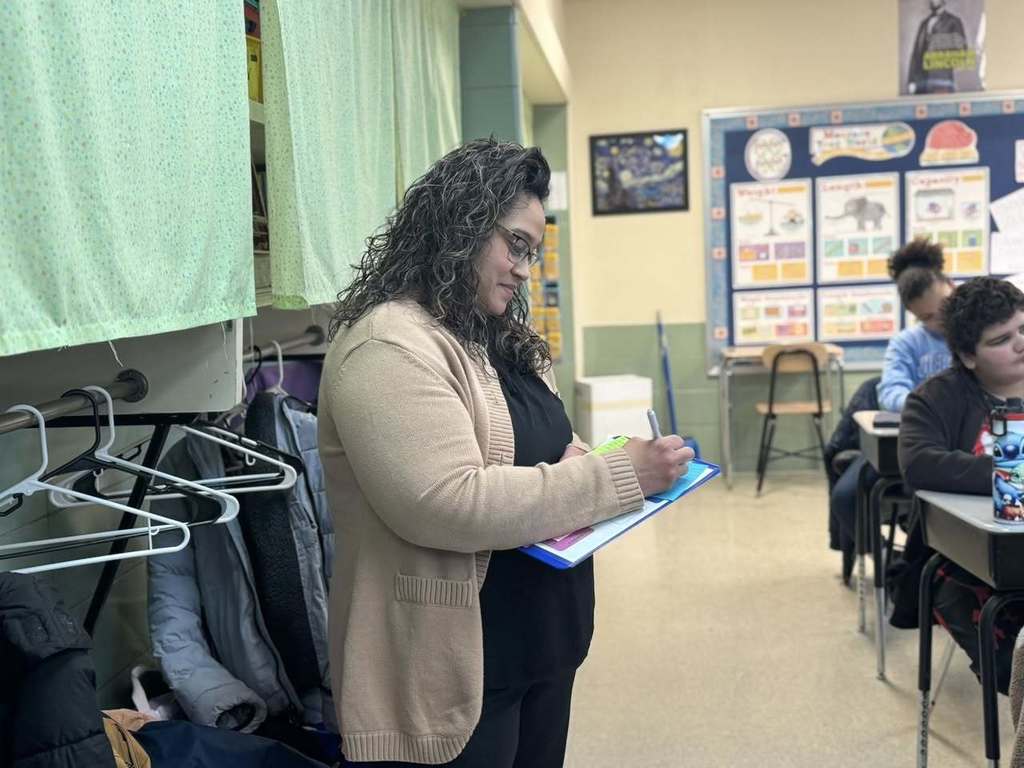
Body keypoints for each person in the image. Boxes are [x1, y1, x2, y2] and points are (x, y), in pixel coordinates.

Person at [318, 138, 693, 767]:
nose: (525, 269)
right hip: (454, 677)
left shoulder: (502, 338)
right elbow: (447, 503)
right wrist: (619, 476)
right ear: (460, 227)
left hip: (543, 647)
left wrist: (594, 459)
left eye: (533, 253)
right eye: (515, 245)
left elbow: (545, 444)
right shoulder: (389, 345)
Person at [899, 276, 1024, 693]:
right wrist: (1010, 474)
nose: (1020, 343)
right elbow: (919, 464)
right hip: (967, 564)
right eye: (1002, 339)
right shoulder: (936, 398)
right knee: (1015, 666)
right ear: (969, 356)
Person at [828, 239, 953, 578]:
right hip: (910, 445)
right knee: (846, 497)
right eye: (925, 317)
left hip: (963, 448)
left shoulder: (977, 333)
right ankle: (888, 564)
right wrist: (933, 406)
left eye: (941, 308)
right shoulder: (907, 343)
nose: (937, 320)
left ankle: (930, 573)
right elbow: (892, 393)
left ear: (950, 286)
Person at [906, 0, 967, 95]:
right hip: (922, 84)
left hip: (942, 82)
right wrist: (911, 80)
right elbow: (916, 53)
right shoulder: (924, 23)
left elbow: (962, 52)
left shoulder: (953, 21)